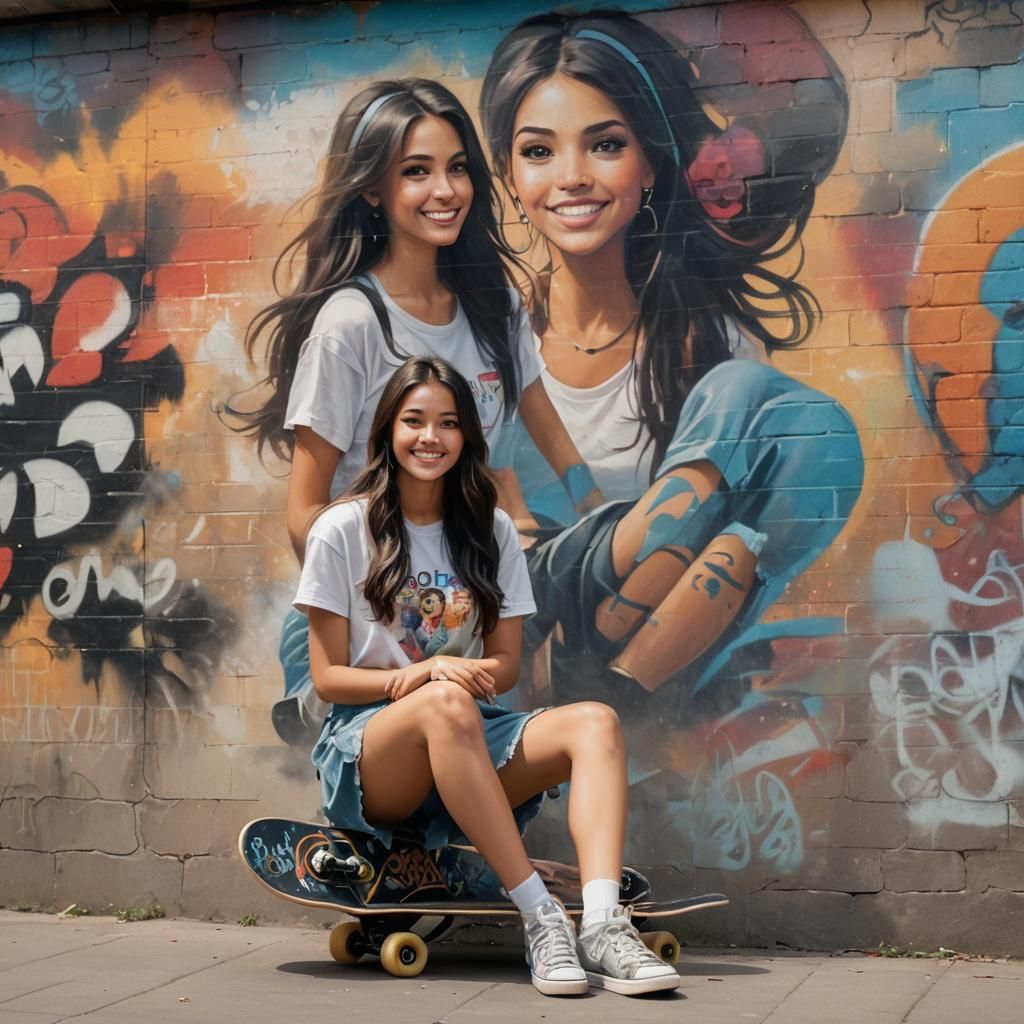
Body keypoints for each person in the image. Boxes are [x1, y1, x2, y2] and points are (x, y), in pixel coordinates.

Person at [479, 13, 863, 708]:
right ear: (506, 172)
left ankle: (606, 673)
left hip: (646, 659)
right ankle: (586, 659)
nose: (571, 178)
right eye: (538, 152)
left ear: (650, 162)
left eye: (605, 145)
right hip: (513, 635)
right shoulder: (482, 341)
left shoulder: (707, 340)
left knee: (818, 436)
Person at [295, 355, 680, 996]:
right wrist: (422, 677)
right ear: (389, 429)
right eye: (414, 420)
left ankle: (605, 927)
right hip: (370, 750)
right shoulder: (341, 528)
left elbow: (502, 666)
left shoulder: (491, 530)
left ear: (466, 438)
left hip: (468, 732)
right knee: (445, 701)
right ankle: (541, 916)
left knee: (596, 724)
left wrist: (457, 676)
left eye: (447, 424)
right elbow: (328, 678)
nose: (430, 437)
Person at [229, 78, 601, 741]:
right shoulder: (352, 324)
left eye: (458, 168)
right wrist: (396, 621)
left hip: (467, 597)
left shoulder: (493, 305)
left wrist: (594, 507)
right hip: (377, 611)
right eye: (417, 171)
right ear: (374, 188)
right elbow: (305, 517)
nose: (446, 190)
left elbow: (540, 413)